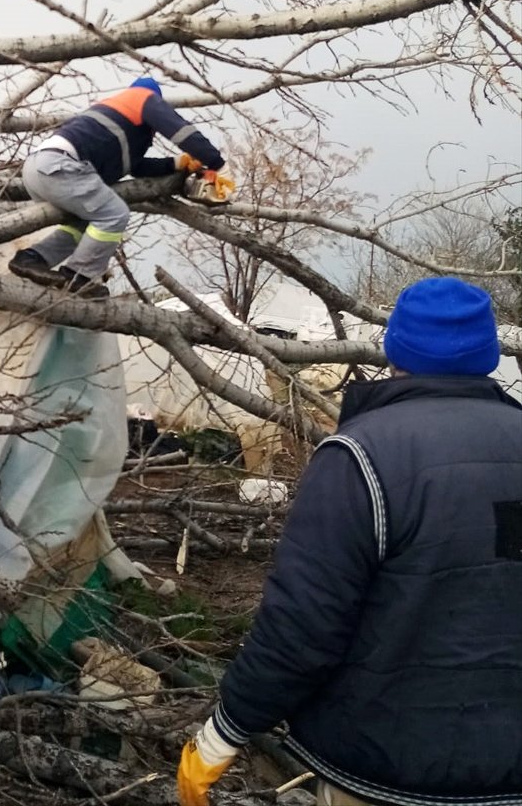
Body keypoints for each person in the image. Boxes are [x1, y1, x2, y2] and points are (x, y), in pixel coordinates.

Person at [177, 277, 522, 806]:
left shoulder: (361, 457)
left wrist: (224, 733)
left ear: (395, 350)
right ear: (488, 353)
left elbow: (302, 626)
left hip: (385, 768)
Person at [8, 76, 224, 297]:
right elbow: (182, 132)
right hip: (61, 166)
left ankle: (32, 259)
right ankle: (78, 277)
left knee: (84, 225)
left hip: (38, 168)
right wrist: (216, 162)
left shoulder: (115, 119)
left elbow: (136, 167)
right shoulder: (143, 97)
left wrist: (176, 163)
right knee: (115, 214)